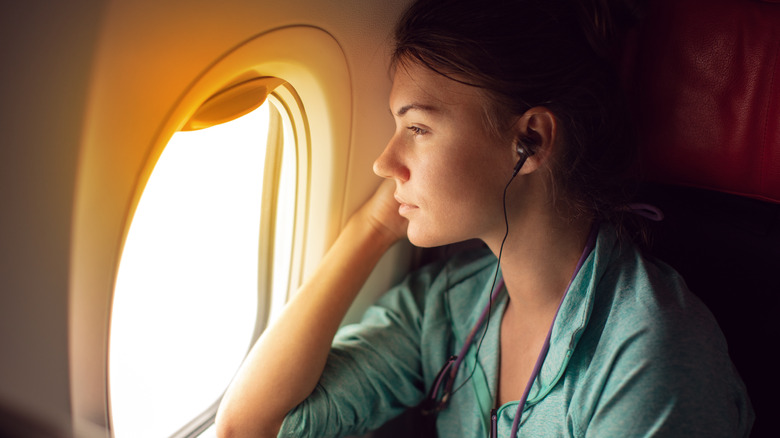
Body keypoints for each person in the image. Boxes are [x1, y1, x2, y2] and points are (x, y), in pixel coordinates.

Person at [215, 0, 754, 436]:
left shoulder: (649, 356)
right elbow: (250, 425)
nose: (385, 163)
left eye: (418, 129)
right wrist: (374, 226)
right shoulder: (455, 304)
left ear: (532, 140)